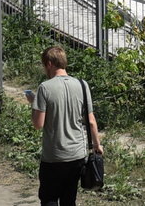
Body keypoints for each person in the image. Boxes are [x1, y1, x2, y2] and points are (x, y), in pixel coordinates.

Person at [27, 46, 103, 206]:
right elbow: (91, 121)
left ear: (48, 64)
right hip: (77, 155)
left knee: (49, 198)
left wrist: (34, 104)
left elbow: (38, 124)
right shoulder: (83, 85)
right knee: (69, 199)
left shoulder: (45, 88)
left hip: (54, 157)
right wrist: (97, 145)